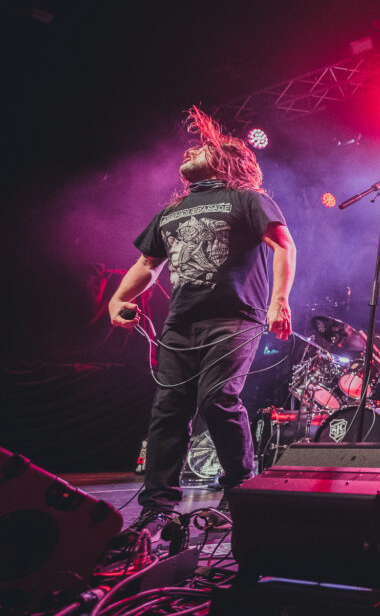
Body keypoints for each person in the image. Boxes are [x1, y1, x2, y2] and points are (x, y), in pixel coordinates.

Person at [108, 106, 296, 540]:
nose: (191, 149)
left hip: (235, 318)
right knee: (168, 412)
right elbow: (147, 263)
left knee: (217, 400)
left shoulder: (248, 198)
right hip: (181, 324)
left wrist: (279, 301)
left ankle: (240, 492)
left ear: (227, 161)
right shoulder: (172, 211)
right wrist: (120, 297)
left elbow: (284, 246)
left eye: (203, 147)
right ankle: (156, 511)